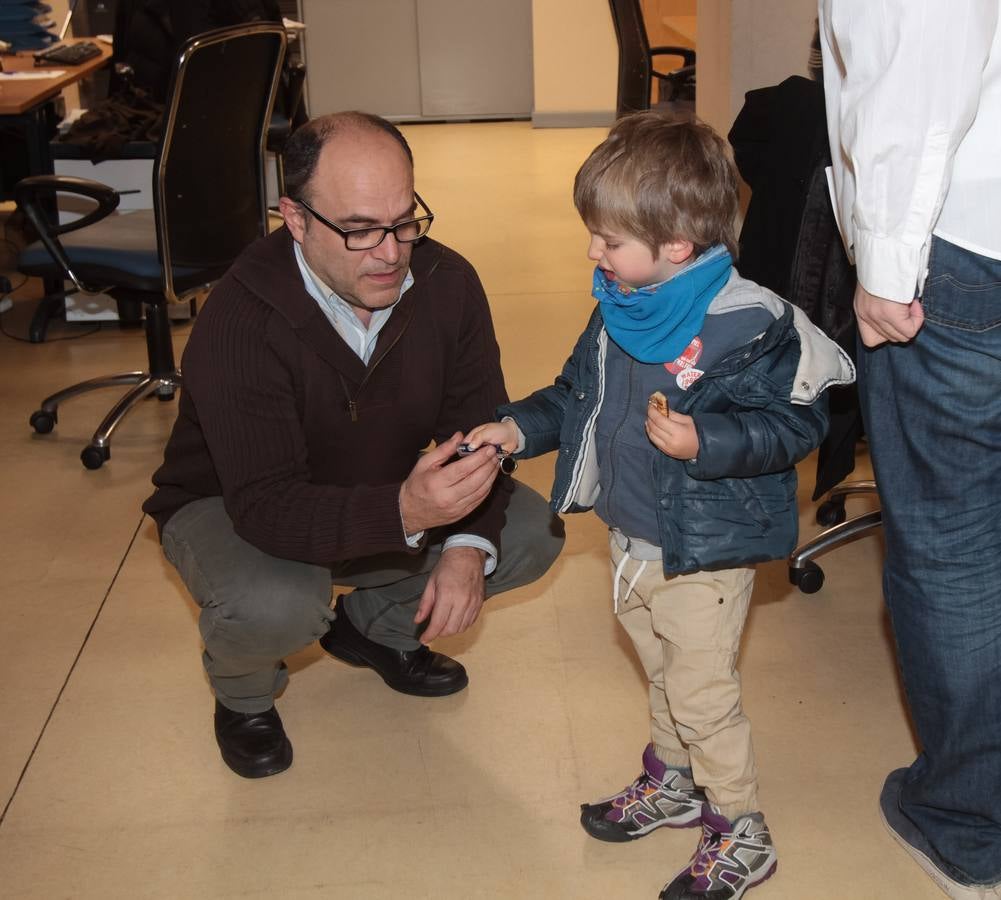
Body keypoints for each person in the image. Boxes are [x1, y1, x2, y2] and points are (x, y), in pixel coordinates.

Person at [463, 112, 853, 900]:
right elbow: (574, 394)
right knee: (662, 675)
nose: (592, 253)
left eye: (608, 240)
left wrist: (704, 439)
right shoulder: (622, 304)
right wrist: (516, 427)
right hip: (633, 541)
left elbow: (795, 426)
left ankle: (740, 828)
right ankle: (673, 780)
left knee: (702, 696)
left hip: (704, 552)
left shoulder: (746, 324)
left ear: (675, 244)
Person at [142, 111, 564, 780]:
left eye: (404, 221)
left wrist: (464, 545)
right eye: (360, 230)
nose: (390, 252)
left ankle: (373, 628)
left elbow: (477, 430)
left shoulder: (447, 283)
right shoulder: (239, 320)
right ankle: (244, 695)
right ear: (296, 219)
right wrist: (407, 512)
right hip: (233, 505)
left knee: (529, 533)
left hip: (377, 487)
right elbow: (267, 505)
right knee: (278, 603)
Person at [819, 3, 1001, 897]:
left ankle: (967, 825)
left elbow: (920, 40)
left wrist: (886, 265)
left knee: (952, 550)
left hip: (964, 246)